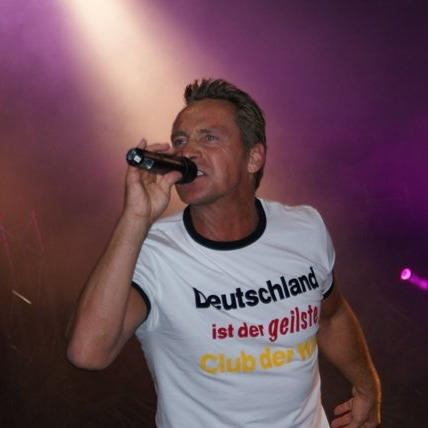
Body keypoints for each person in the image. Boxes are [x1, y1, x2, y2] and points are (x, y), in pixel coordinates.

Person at [66, 78, 381, 427]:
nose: (187, 152)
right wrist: (135, 218)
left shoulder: (305, 229)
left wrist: (367, 387)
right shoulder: (152, 252)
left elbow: (331, 316)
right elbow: (88, 352)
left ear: (254, 157)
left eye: (209, 138)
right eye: (180, 141)